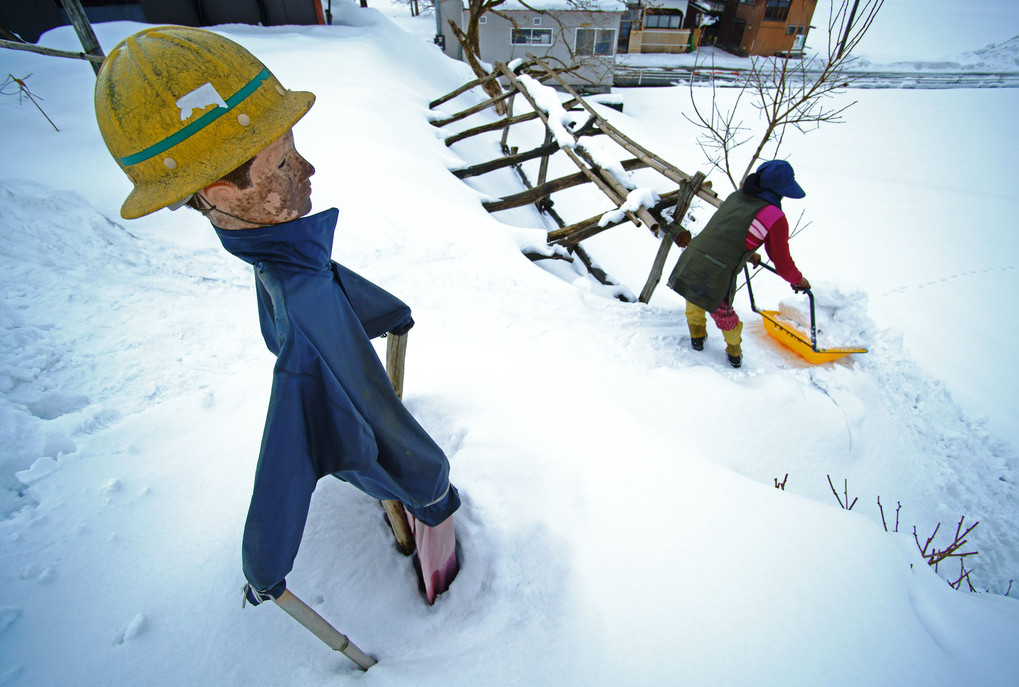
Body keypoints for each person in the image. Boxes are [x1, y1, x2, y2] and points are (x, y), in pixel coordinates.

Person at [93, 26, 459, 605]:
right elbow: (288, 454)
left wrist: (388, 313)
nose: (308, 168)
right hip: (414, 490)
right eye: (284, 162)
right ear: (224, 193)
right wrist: (432, 492)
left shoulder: (286, 256)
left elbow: (328, 290)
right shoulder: (303, 310)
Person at [666, 160, 811, 368]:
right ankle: (734, 352)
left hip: (693, 255)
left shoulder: (736, 196)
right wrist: (799, 280)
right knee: (723, 313)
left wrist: (748, 253)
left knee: (694, 297)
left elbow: (727, 231)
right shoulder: (775, 216)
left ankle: (697, 337)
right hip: (717, 269)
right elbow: (782, 262)